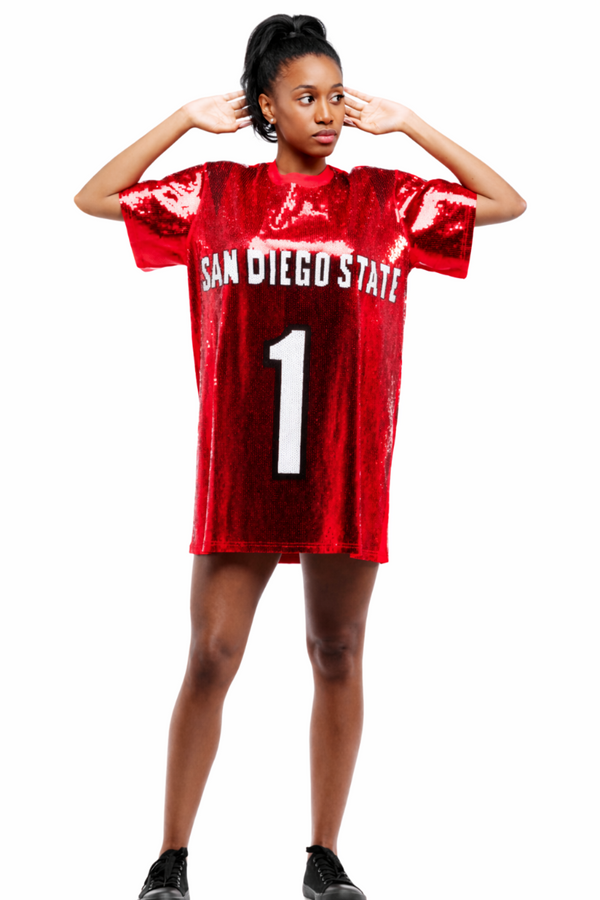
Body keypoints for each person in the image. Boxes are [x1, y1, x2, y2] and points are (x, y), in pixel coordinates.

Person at [74, 12, 526, 900]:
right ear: (266, 108)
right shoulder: (213, 194)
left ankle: (324, 857)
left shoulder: (385, 201)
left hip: (343, 465)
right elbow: (95, 197)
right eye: (305, 97)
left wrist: (412, 124)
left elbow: (507, 204)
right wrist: (182, 119)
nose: (325, 113)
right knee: (212, 653)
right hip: (242, 466)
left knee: (337, 650)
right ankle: (170, 859)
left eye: (335, 95)